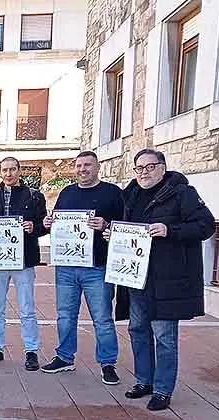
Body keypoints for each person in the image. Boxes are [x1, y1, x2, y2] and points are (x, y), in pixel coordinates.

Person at [105, 149, 215, 411]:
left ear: (162, 168)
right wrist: (114, 236)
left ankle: (163, 390)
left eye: (150, 167)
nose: (144, 172)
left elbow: (205, 225)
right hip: (135, 276)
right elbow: (124, 227)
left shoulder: (182, 193)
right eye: (139, 168)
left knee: (165, 335)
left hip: (167, 279)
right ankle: (144, 381)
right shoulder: (130, 194)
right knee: (137, 330)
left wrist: (170, 230)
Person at [40, 151, 125, 385]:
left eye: (87, 165)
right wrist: (48, 224)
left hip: (97, 266)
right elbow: (59, 223)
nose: (82, 169)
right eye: (78, 165)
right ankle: (65, 357)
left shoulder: (112, 193)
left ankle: (108, 363)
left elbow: (127, 225)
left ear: (98, 167)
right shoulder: (67, 193)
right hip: (66, 266)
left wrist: (107, 224)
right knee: (65, 316)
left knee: (102, 319)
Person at [0, 156, 48, 371]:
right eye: (4, 170)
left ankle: (31, 351)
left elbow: (44, 224)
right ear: (0, 172)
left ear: (19, 171)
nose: (8, 174)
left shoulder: (34, 196)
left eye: (12, 169)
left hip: (23, 261)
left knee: (26, 308)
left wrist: (33, 227)